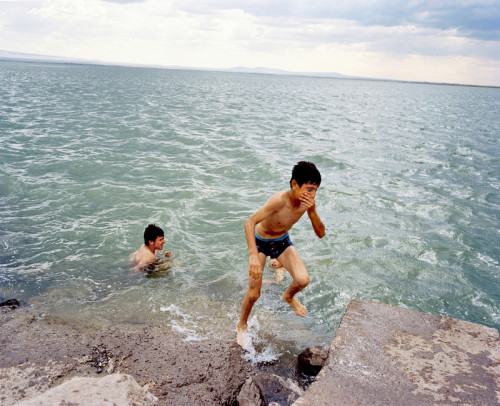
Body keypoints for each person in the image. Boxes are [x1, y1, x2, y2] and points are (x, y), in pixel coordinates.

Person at [237, 161, 325, 345]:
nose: (312, 194)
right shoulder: (279, 200)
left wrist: (313, 211)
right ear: (294, 184)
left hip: (281, 241)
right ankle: (242, 325)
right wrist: (253, 254)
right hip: (261, 242)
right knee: (254, 294)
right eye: (309, 189)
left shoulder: (307, 205)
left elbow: (321, 234)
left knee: (303, 280)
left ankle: (288, 296)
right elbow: (249, 222)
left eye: (315, 190)